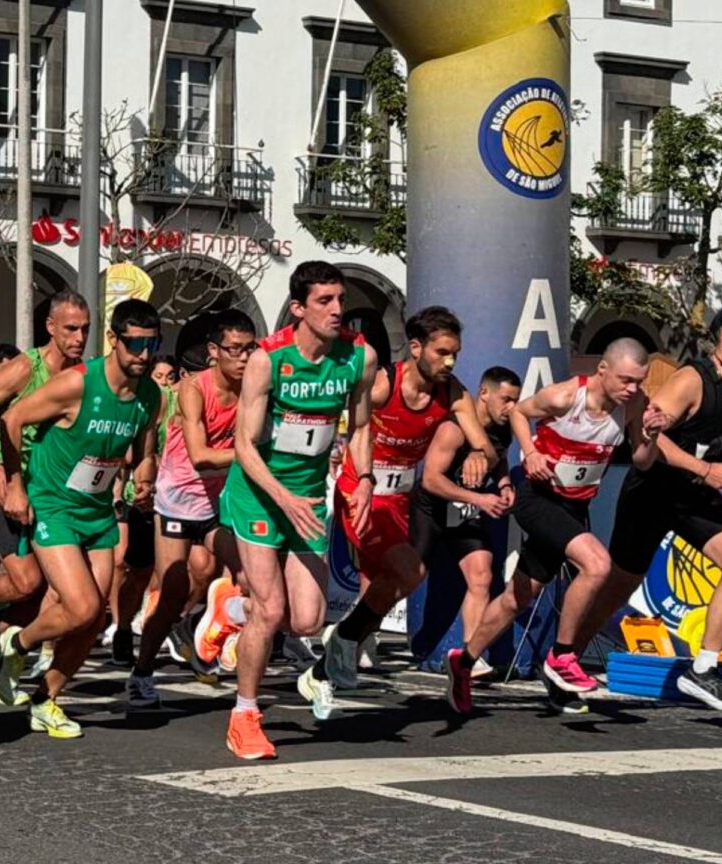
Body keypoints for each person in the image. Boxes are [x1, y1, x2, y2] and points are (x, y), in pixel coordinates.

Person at [0, 299, 163, 739]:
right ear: (115, 341)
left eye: (152, 344)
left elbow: (145, 444)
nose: (143, 354)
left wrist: (144, 476)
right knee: (80, 605)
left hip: (98, 510)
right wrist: (15, 483)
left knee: (93, 618)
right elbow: (11, 419)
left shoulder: (150, 395)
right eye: (135, 344)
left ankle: (45, 700)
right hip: (55, 506)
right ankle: (17, 644)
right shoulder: (77, 384)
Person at [218, 261, 377, 760]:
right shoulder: (269, 360)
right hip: (260, 495)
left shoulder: (360, 357)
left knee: (306, 620)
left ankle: (230, 610)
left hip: (308, 498)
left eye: (339, 300)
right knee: (272, 610)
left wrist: (365, 479)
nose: (336, 310)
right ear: (298, 308)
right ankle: (244, 714)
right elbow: (244, 445)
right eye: (324, 301)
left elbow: (362, 425)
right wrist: (281, 495)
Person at [578, 304, 722, 711]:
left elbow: (720, 445)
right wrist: (706, 469)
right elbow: (647, 435)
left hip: (694, 493)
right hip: (653, 491)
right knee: (618, 587)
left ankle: (702, 669)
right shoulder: (691, 379)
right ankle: (564, 660)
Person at [445, 339, 648, 713]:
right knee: (597, 564)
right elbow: (521, 413)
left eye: (639, 381)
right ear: (602, 370)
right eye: (625, 380)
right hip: (538, 499)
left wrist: (650, 433)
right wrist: (532, 451)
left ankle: (463, 660)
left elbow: (642, 458)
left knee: (517, 598)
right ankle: (562, 657)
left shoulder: (634, 404)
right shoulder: (565, 396)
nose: (632, 389)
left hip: (573, 507)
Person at [308, 306, 494, 712]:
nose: (449, 361)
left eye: (455, 354)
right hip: (362, 493)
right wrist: (361, 476)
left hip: (399, 500)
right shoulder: (382, 384)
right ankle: (340, 645)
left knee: (385, 588)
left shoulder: (453, 393)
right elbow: (355, 424)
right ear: (415, 347)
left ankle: (339, 647)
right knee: (410, 570)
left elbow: (484, 443)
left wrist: (480, 454)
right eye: (442, 352)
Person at [0, 291, 90, 704]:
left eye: (85, 329)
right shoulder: (26, 368)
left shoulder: (82, 376)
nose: (79, 337)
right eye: (71, 328)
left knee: (37, 594)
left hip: (46, 494)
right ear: (51, 327)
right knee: (27, 580)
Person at [127, 310, 255, 708]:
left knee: (254, 580)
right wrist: (251, 455)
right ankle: (142, 672)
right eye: (234, 350)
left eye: (250, 349)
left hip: (220, 504)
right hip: (178, 502)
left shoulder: (254, 387)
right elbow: (200, 456)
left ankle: (216, 631)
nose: (244, 358)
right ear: (214, 351)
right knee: (172, 593)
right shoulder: (192, 389)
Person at [415, 366, 520, 679]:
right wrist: (479, 499)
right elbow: (431, 480)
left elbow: (499, 458)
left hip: (465, 512)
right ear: (483, 394)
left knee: (482, 575)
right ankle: (355, 639)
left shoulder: (503, 429)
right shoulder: (454, 429)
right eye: (506, 399)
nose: (511, 408)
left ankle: (469, 658)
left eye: (516, 400)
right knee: (406, 577)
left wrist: (503, 485)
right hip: (430, 509)